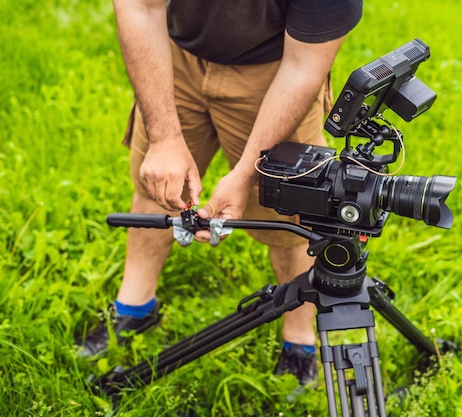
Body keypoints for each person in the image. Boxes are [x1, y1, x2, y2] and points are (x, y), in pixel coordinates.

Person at [77, 0, 363, 387]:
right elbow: (140, 6)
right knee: (158, 186)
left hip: (275, 69)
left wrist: (245, 173)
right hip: (173, 55)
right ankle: (134, 304)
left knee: (287, 210)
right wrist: (163, 138)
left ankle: (299, 338)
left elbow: (303, 66)